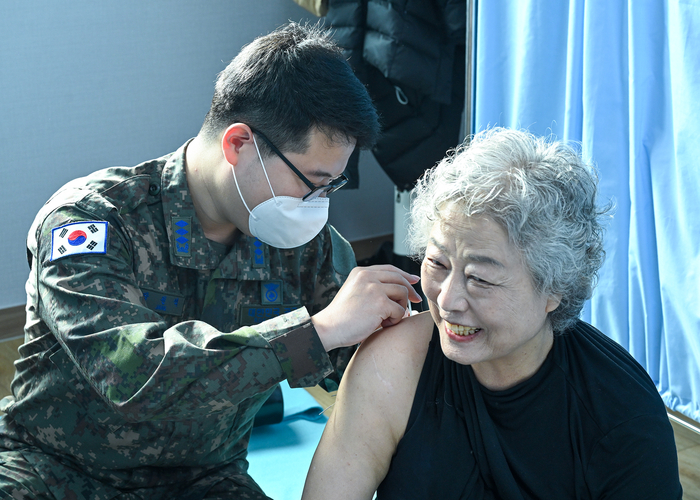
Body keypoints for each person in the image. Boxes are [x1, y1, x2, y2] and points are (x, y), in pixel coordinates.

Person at [0, 22, 422, 499]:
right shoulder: (92, 222)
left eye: (331, 186)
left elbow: (375, 368)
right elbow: (133, 373)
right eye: (311, 181)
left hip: (203, 480)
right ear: (239, 144)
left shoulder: (306, 246)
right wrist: (318, 332)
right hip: (54, 471)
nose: (317, 204)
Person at [302, 128, 683, 499]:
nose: (447, 300)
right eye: (438, 262)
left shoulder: (622, 419)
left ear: (555, 288)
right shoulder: (395, 364)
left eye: (480, 278)